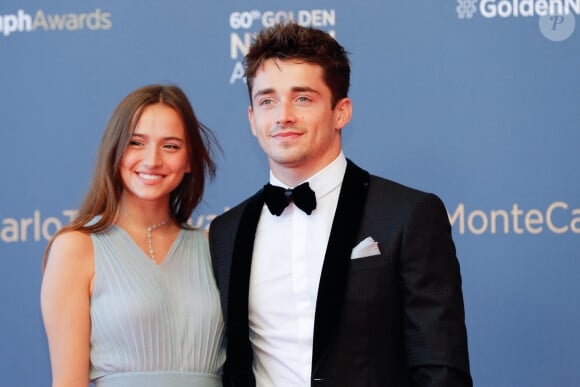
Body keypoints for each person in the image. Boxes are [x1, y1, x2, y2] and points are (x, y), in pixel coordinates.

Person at [209, 22, 472, 387]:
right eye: (267, 100)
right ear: (252, 119)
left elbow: (441, 369)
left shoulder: (407, 215)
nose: (283, 115)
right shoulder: (226, 232)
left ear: (341, 112)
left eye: (303, 98)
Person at [41, 84, 225, 387]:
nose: (152, 160)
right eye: (136, 143)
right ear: (115, 150)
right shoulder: (76, 248)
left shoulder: (211, 246)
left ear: (189, 160)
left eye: (171, 146)